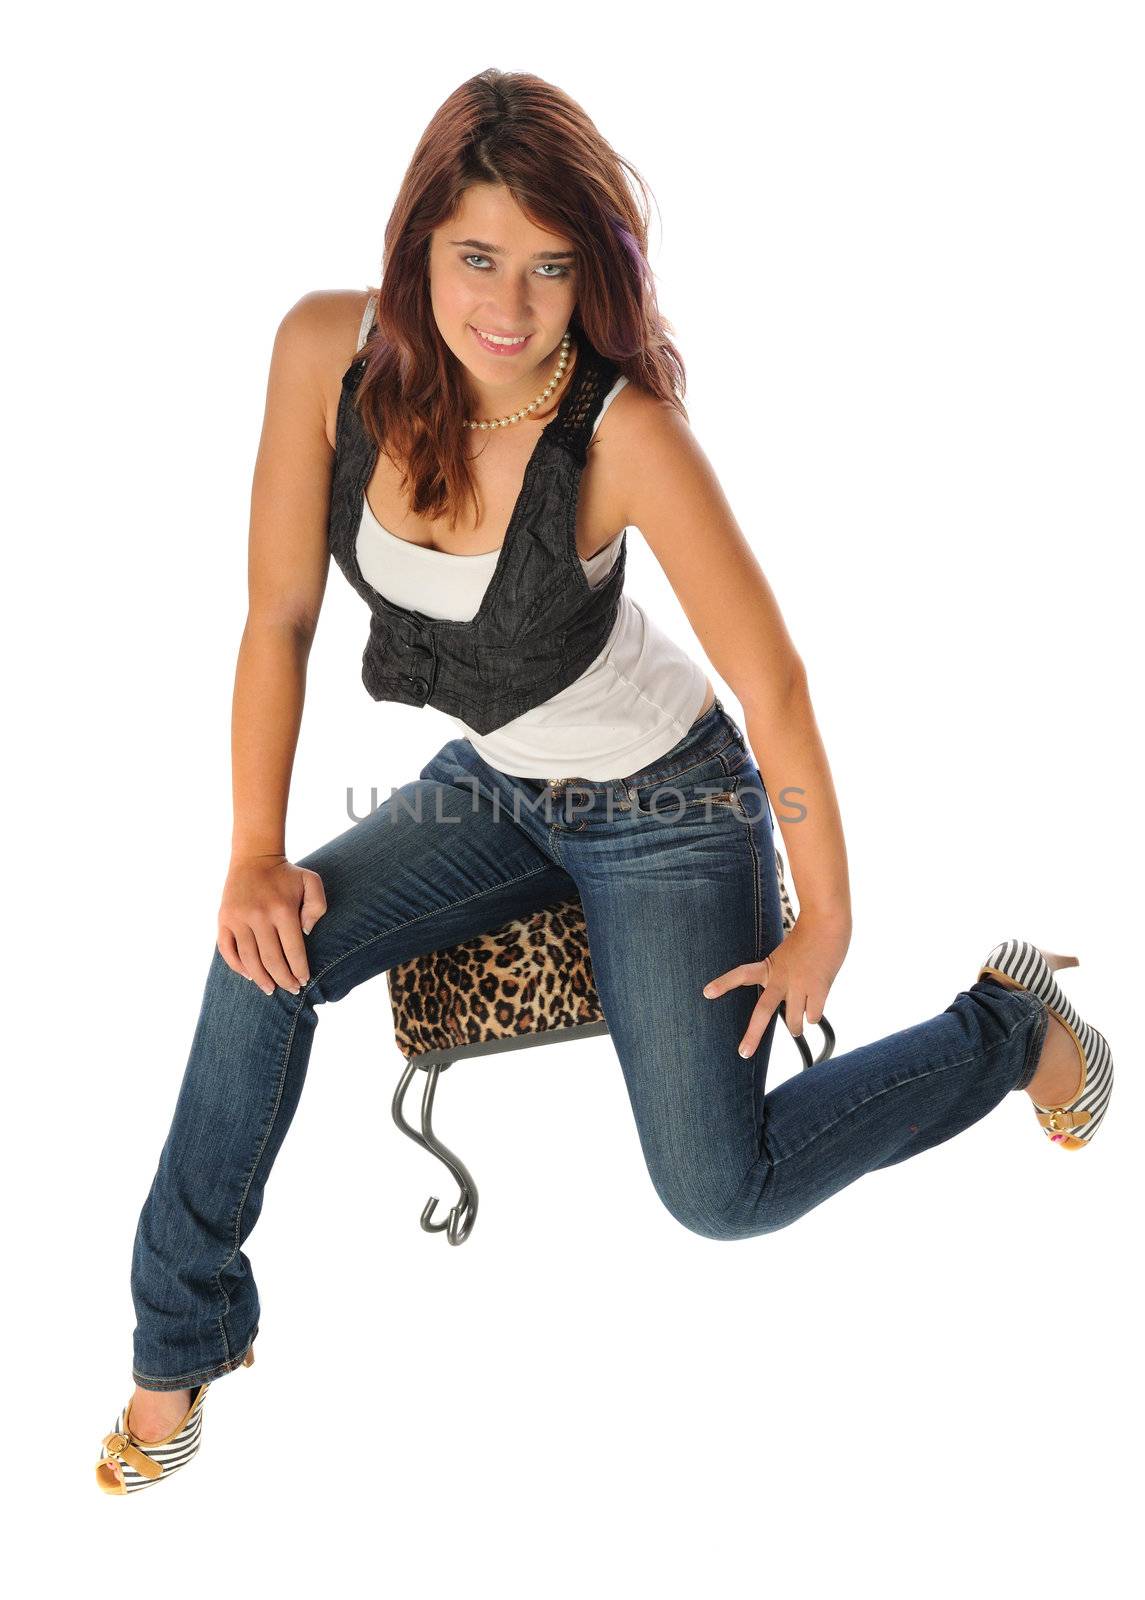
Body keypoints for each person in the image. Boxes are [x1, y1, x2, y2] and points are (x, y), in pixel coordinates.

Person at [95, 68, 1113, 1494]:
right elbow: (277, 618)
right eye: (476, 257)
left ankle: (1007, 1025)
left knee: (720, 1192)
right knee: (257, 948)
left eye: (550, 268)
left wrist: (821, 921)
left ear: (592, 277)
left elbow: (775, 687)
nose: (508, 305)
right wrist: (254, 847)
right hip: (497, 790)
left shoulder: (621, 438)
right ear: (416, 247)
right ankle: (179, 1338)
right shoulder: (323, 354)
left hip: (669, 810)